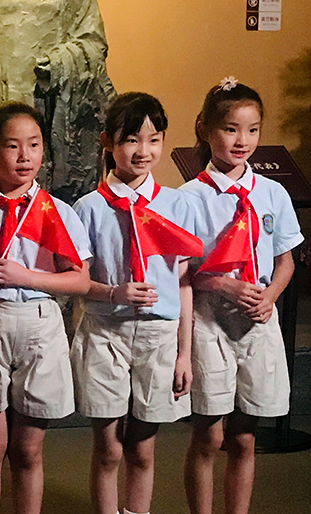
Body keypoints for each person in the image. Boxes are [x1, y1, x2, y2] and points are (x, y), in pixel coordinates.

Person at [72, 93, 201, 514]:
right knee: (109, 448)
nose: (143, 151)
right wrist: (114, 292)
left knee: (143, 449)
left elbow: (183, 282)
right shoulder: (88, 208)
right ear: (107, 142)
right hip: (105, 332)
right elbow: (77, 282)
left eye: (153, 139)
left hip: (158, 335)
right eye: (131, 140)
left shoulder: (178, 204)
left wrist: (184, 353)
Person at [180, 79, 303, 514]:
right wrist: (222, 284)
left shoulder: (272, 192)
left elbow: (286, 260)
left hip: (258, 319)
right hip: (209, 319)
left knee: (245, 436)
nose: (242, 141)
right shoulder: (188, 198)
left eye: (252, 130)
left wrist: (271, 296)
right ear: (205, 128)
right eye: (231, 129)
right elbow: (182, 271)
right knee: (209, 435)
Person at [0, 102, 91, 514]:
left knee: (28, 450)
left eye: (34, 145)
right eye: (12, 146)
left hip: (39, 323)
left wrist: (26, 277)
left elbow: (80, 280)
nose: (25, 156)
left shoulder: (56, 210)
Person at [0, 0, 114, 203]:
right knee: (1, 200)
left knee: (54, 203)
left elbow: (94, 43)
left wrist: (60, 60)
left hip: (54, 114)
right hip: (3, 104)